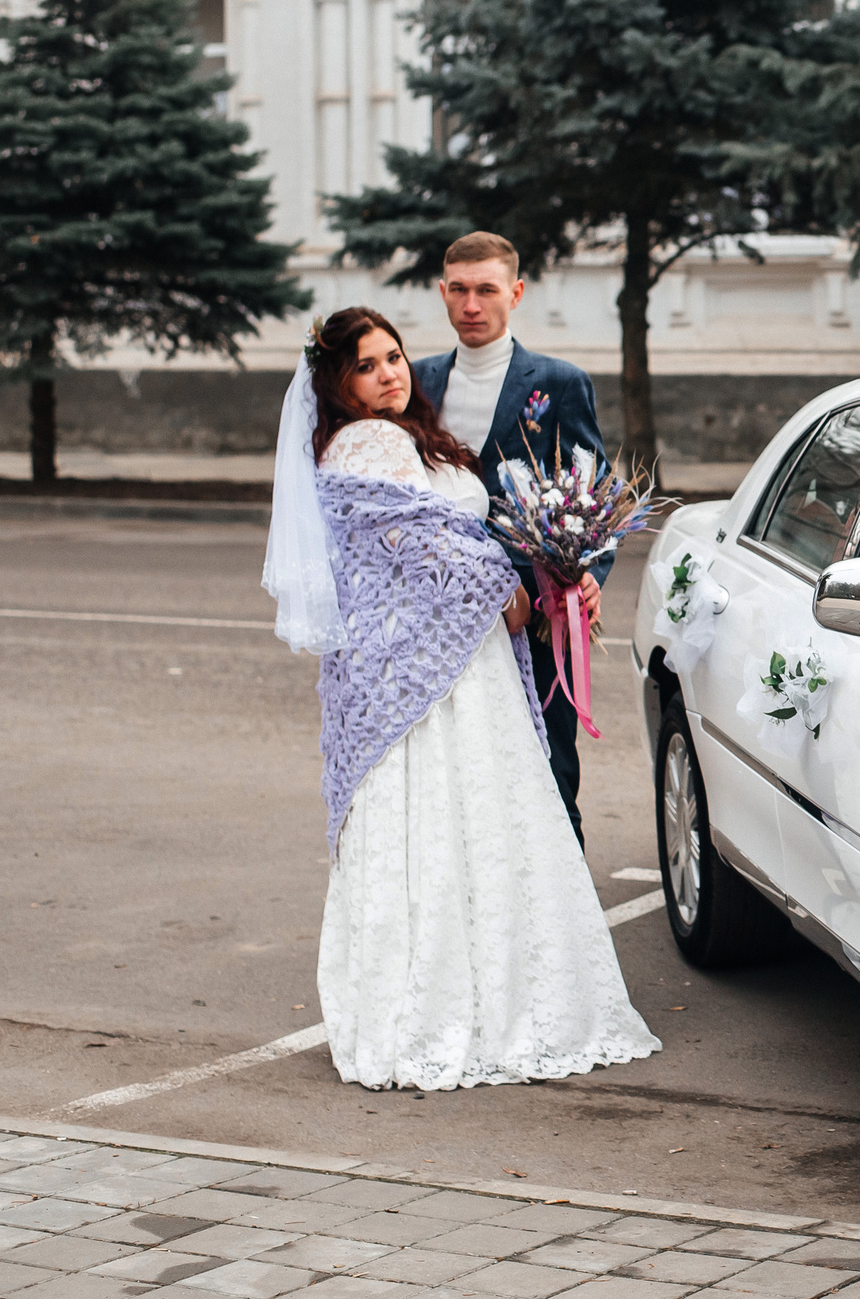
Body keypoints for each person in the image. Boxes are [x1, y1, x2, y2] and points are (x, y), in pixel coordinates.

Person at [261, 305, 659, 1091]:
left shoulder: (409, 431)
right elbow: (417, 545)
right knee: (450, 823)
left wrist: (546, 567)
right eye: (368, 365)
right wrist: (511, 592)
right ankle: (454, 1003)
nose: (389, 373)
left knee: (464, 827)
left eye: (395, 356)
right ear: (338, 383)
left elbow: (449, 530)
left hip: (455, 658)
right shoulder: (368, 441)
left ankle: (472, 994)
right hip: (427, 672)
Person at [412, 232, 611, 848]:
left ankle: (565, 902)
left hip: (537, 607)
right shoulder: (415, 384)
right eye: (460, 290)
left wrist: (589, 575)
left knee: (549, 763)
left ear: (515, 293)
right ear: (443, 294)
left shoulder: (558, 382)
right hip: (441, 608)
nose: (472, 305)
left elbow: (592, 491)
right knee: (459, 768)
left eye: (487, 290)